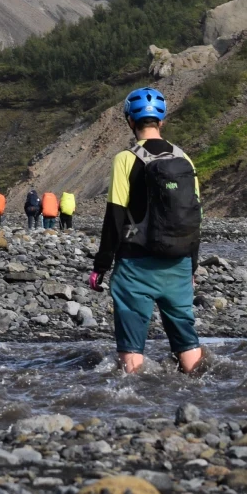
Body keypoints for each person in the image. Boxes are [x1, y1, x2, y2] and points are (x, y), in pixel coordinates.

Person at [89, 87, 203, 375]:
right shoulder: (185, 160)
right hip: (178, 263)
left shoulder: (125, 159)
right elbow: (194, 217)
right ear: (161, 121)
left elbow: (114, 217)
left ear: (130, 121)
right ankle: (203, 392)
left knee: (131, 352)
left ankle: (135, 407)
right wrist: (191, 267)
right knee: (187, 344)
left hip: (135, 265)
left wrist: (101, 266)